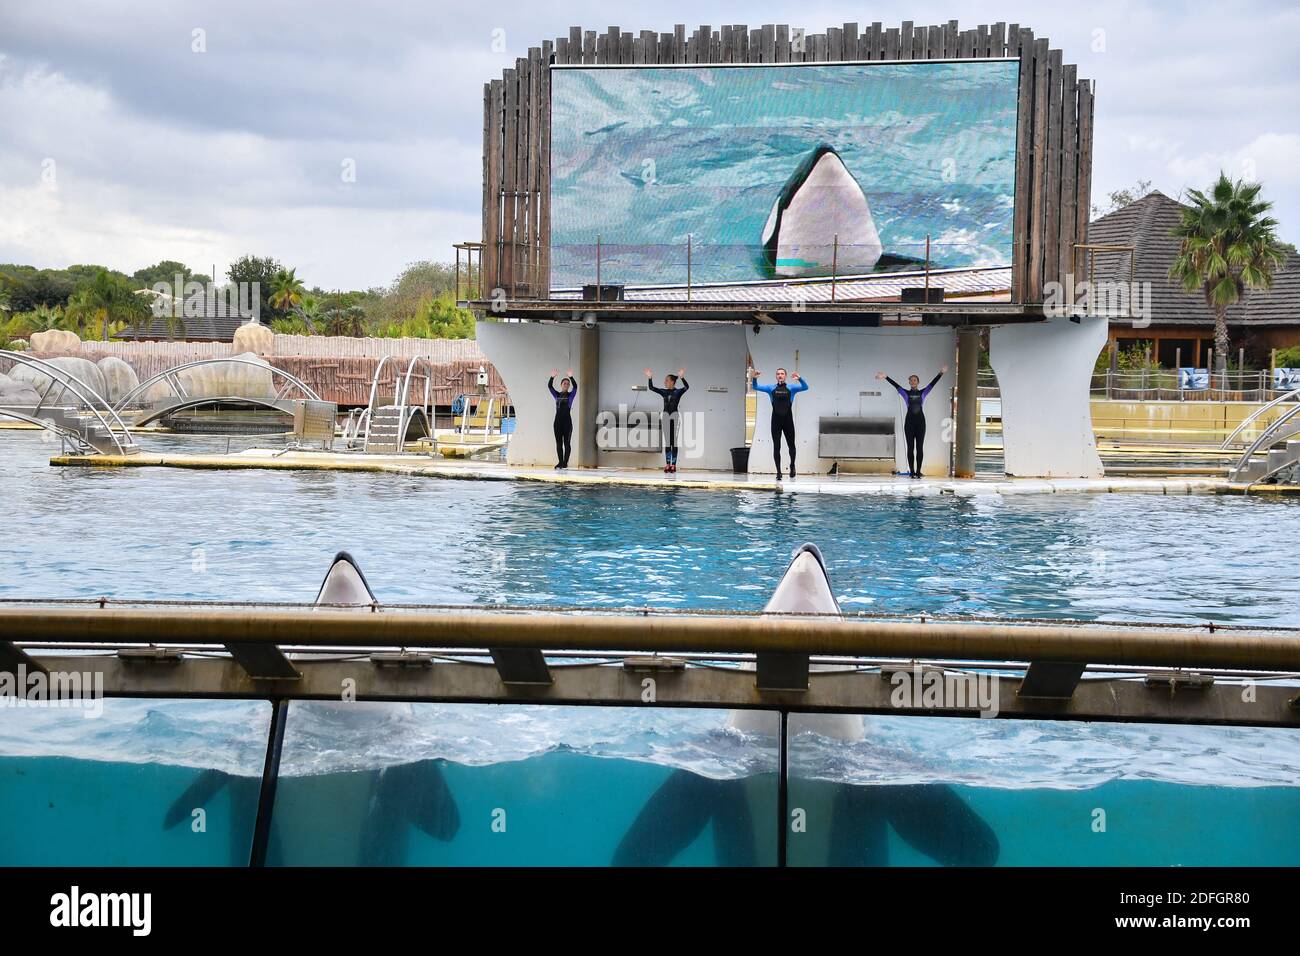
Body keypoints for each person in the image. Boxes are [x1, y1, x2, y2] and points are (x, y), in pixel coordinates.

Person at [876, 365, 948, 478]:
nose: (913, 381)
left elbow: (932, 384)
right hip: (909, 424)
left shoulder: (923, 392)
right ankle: (912, 472)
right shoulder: (905, 393)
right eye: (911, 380)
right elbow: (896, 385)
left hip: (920, 423)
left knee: (919, 447)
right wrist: (886, 377)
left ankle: (918, 471)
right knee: (910, 447)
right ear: (909, 382)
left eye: (915, 380)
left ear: (918, 382)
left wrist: (941, 373)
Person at [750, 366, 808, 479]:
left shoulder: (791, 388)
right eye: (778, 374)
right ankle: (778, 472)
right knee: (777, 447)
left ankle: (792, 465)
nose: (780, 375)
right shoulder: (770, 388)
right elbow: (755, 387)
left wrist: (800, 379)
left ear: (785, 376)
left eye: (782, 373)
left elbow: (805, 387)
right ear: (776, 376)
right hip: (776, 422)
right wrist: (755, 378)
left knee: (791, 446)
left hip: (788, 421)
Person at [644, 367, 689, 473]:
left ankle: (673, 465)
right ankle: (668, 464)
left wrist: (682, 377)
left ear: (672, 382)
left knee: (674, 442)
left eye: (667, 380)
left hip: (675, 418)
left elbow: (686, 387)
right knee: (668, 442)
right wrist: (650, 378)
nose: (665, 382)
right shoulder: (664, 392)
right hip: (665, 418)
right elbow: (651, 388)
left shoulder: (678, 392)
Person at [547, 368, 577, 469]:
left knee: (567, 443)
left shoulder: (570, 396)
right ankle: (560, 462)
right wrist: (552, 377)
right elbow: (550, 386)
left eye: (568, 384)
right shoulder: (557, 395)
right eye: (564, 383)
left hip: (567, 423)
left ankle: (565, 462)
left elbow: (575, 387)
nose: (566, 384)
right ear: (561, 385)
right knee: (558, 443)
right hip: (557, 423)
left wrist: (571, 377)